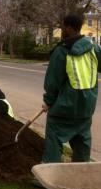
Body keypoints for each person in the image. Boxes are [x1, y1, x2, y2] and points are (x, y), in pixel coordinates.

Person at [42, 13, 101, 163]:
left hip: (65, 108)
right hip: (86, 107)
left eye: (63, 26)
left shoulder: (62, 51)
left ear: (67, 27)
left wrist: (48, 101)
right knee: (82, 139)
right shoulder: (94, 49)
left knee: (54, 135)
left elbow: (52, 82)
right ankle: (81, 172)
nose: (62, 29)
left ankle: (50, 172)